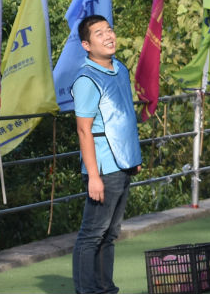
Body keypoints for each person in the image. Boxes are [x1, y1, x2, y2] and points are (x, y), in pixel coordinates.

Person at [72, 15, 142, 294]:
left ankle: (105, 288)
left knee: (110, 233)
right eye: (99, 33)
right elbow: (83, 131)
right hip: (103, 166)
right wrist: (93, 176)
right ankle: (86, 290)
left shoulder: (120, 69)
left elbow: (124, 116)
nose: (108, 36)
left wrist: (133, 158)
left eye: (109, 30)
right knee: (92, 233)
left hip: (123, 163)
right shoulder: (86, 79)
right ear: (86, 44)